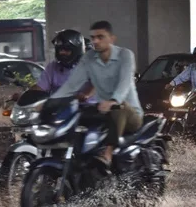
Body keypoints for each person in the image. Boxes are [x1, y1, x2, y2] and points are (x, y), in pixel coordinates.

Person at [53, 20, 143, 169]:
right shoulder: (88, 58)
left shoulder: (125, 55)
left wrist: (114, 100)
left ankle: (107, 154)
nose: (95, 41)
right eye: (93, 37)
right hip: (102, 110)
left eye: (100, 37)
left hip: (130, 113)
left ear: (112, 39)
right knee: (75, 115)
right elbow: (71, 85)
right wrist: (49, 102)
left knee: (119, 107)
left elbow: (125, 82)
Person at [33, 29, 94, 102]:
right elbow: (40, 87)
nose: (62, 53)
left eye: (66, 50)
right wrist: (27, 95)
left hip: (87, 108)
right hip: (60, 109)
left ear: (76, 50)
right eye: (60, 50)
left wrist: (86, 94)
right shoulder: (52, 67)